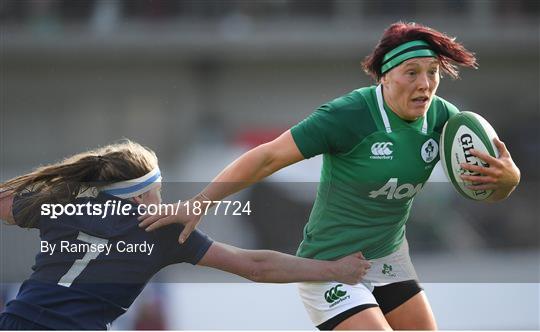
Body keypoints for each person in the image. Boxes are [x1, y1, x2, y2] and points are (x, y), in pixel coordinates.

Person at [139, 22, 521, 330]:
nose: (425, 84)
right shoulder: (347, 116)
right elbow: (267, 157)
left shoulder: (443, 118)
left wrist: (509, 180)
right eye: (411, 73)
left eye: (432, 73)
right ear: (384, 77)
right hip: (329, 265)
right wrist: (199, 202)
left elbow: (492, 178)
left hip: (388, 258)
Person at [0, 140, 371, 330]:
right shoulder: (162, 228)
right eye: (160, 188)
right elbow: (255, 266)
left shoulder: (63, 201)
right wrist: (334, 270)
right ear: (142, 193)